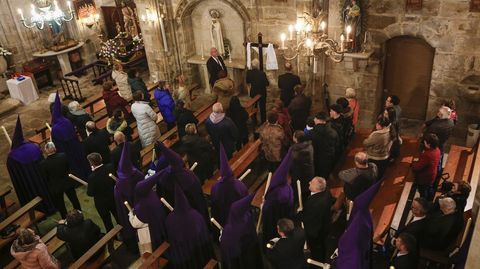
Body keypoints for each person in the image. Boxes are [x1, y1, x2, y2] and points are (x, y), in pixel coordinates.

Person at [40, 142, 81, 219]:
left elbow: (45, 177)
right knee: (74, 200)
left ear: (46, 151)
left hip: (55, 186)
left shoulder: (43, 164)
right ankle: (79, 213)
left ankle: (65, 219)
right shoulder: (63, 156)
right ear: (55, 149)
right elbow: (68, 167)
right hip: (67, 183)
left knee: (61, 205)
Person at [299, 177, 334, 262]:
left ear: (317, 189)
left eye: (312, 183)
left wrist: (299, 214)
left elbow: (307, 218)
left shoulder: (314, 204)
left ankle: (317, 262)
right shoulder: (326, 192)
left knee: (316, 249)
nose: (309, 182)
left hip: (315, 232)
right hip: (325, 225)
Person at [86, 153, 118, 232]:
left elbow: (90, 193)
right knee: (118, 217)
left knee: (107, 223)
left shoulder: (91, 177)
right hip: (113, 197)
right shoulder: (110, 167)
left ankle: (113, 238)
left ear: (91, 163)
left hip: (101, 203)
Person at [308, 112, 339, 178]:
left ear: (317, 119)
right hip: (328, 159)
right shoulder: (333, 132)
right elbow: (336, 145)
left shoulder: (310, 133)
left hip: (316, 160)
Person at [412, 133, 441, 201]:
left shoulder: (428, 155)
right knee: (429, 187)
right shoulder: (437, 149)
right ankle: (430, 198)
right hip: (432, 174)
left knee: (423, 191)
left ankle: (424, 202)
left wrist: (413, 164)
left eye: (425, 142)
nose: (424, 143)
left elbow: (418, 167)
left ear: (429, 145)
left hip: (425, 178)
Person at [290, 130, 314, 205]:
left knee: (299, 190)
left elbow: (291, 164)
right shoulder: (309, 146)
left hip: (299, 175)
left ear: (296, 139)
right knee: (306, 189)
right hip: (309, 172)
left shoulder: (294, 151)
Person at [246, 58, 269, 123]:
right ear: (258, 65)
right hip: (261, 93)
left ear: (252, 65)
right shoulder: (262, 73)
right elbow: (267, 83)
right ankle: (263, 122)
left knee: (253, 107)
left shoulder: (249, 72)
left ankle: (254, 121)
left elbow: (247, 81)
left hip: (253, 92)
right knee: (262, 108)